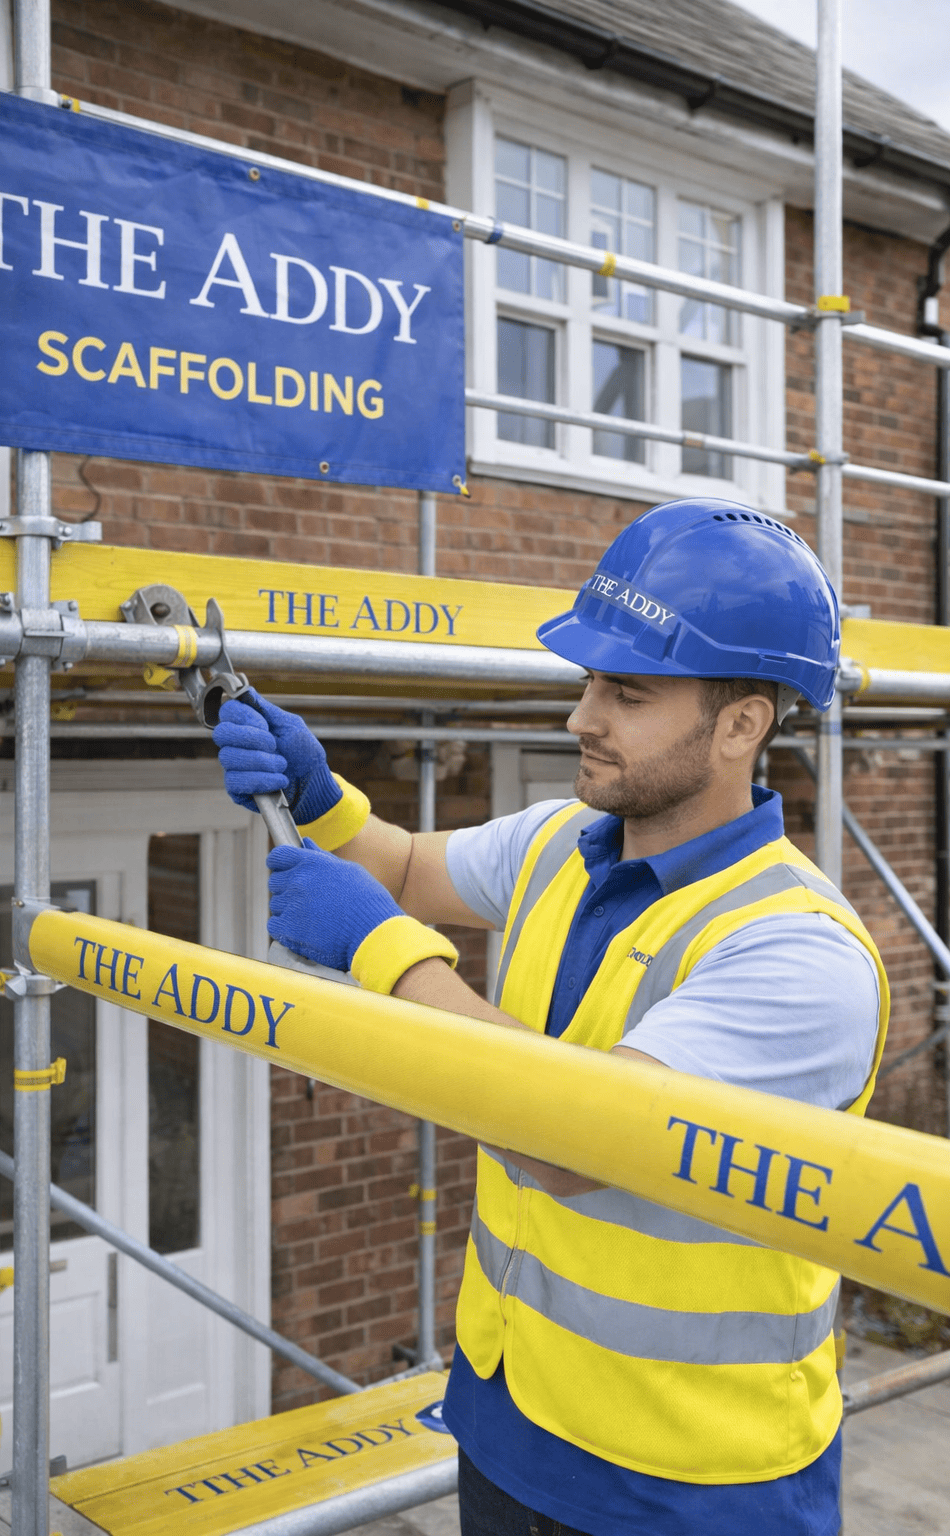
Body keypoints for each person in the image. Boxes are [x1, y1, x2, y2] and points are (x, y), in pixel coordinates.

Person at [214, 497, 888, 1536]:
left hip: (690, 1483)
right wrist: (322, 798)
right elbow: (399, 866)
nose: (582, 717)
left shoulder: (798, 952)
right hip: (510, 1420)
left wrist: (380, 954)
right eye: (587, 683)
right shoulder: (567, 839)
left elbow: (580, 1143)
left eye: (626, 691)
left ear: (740, 725)